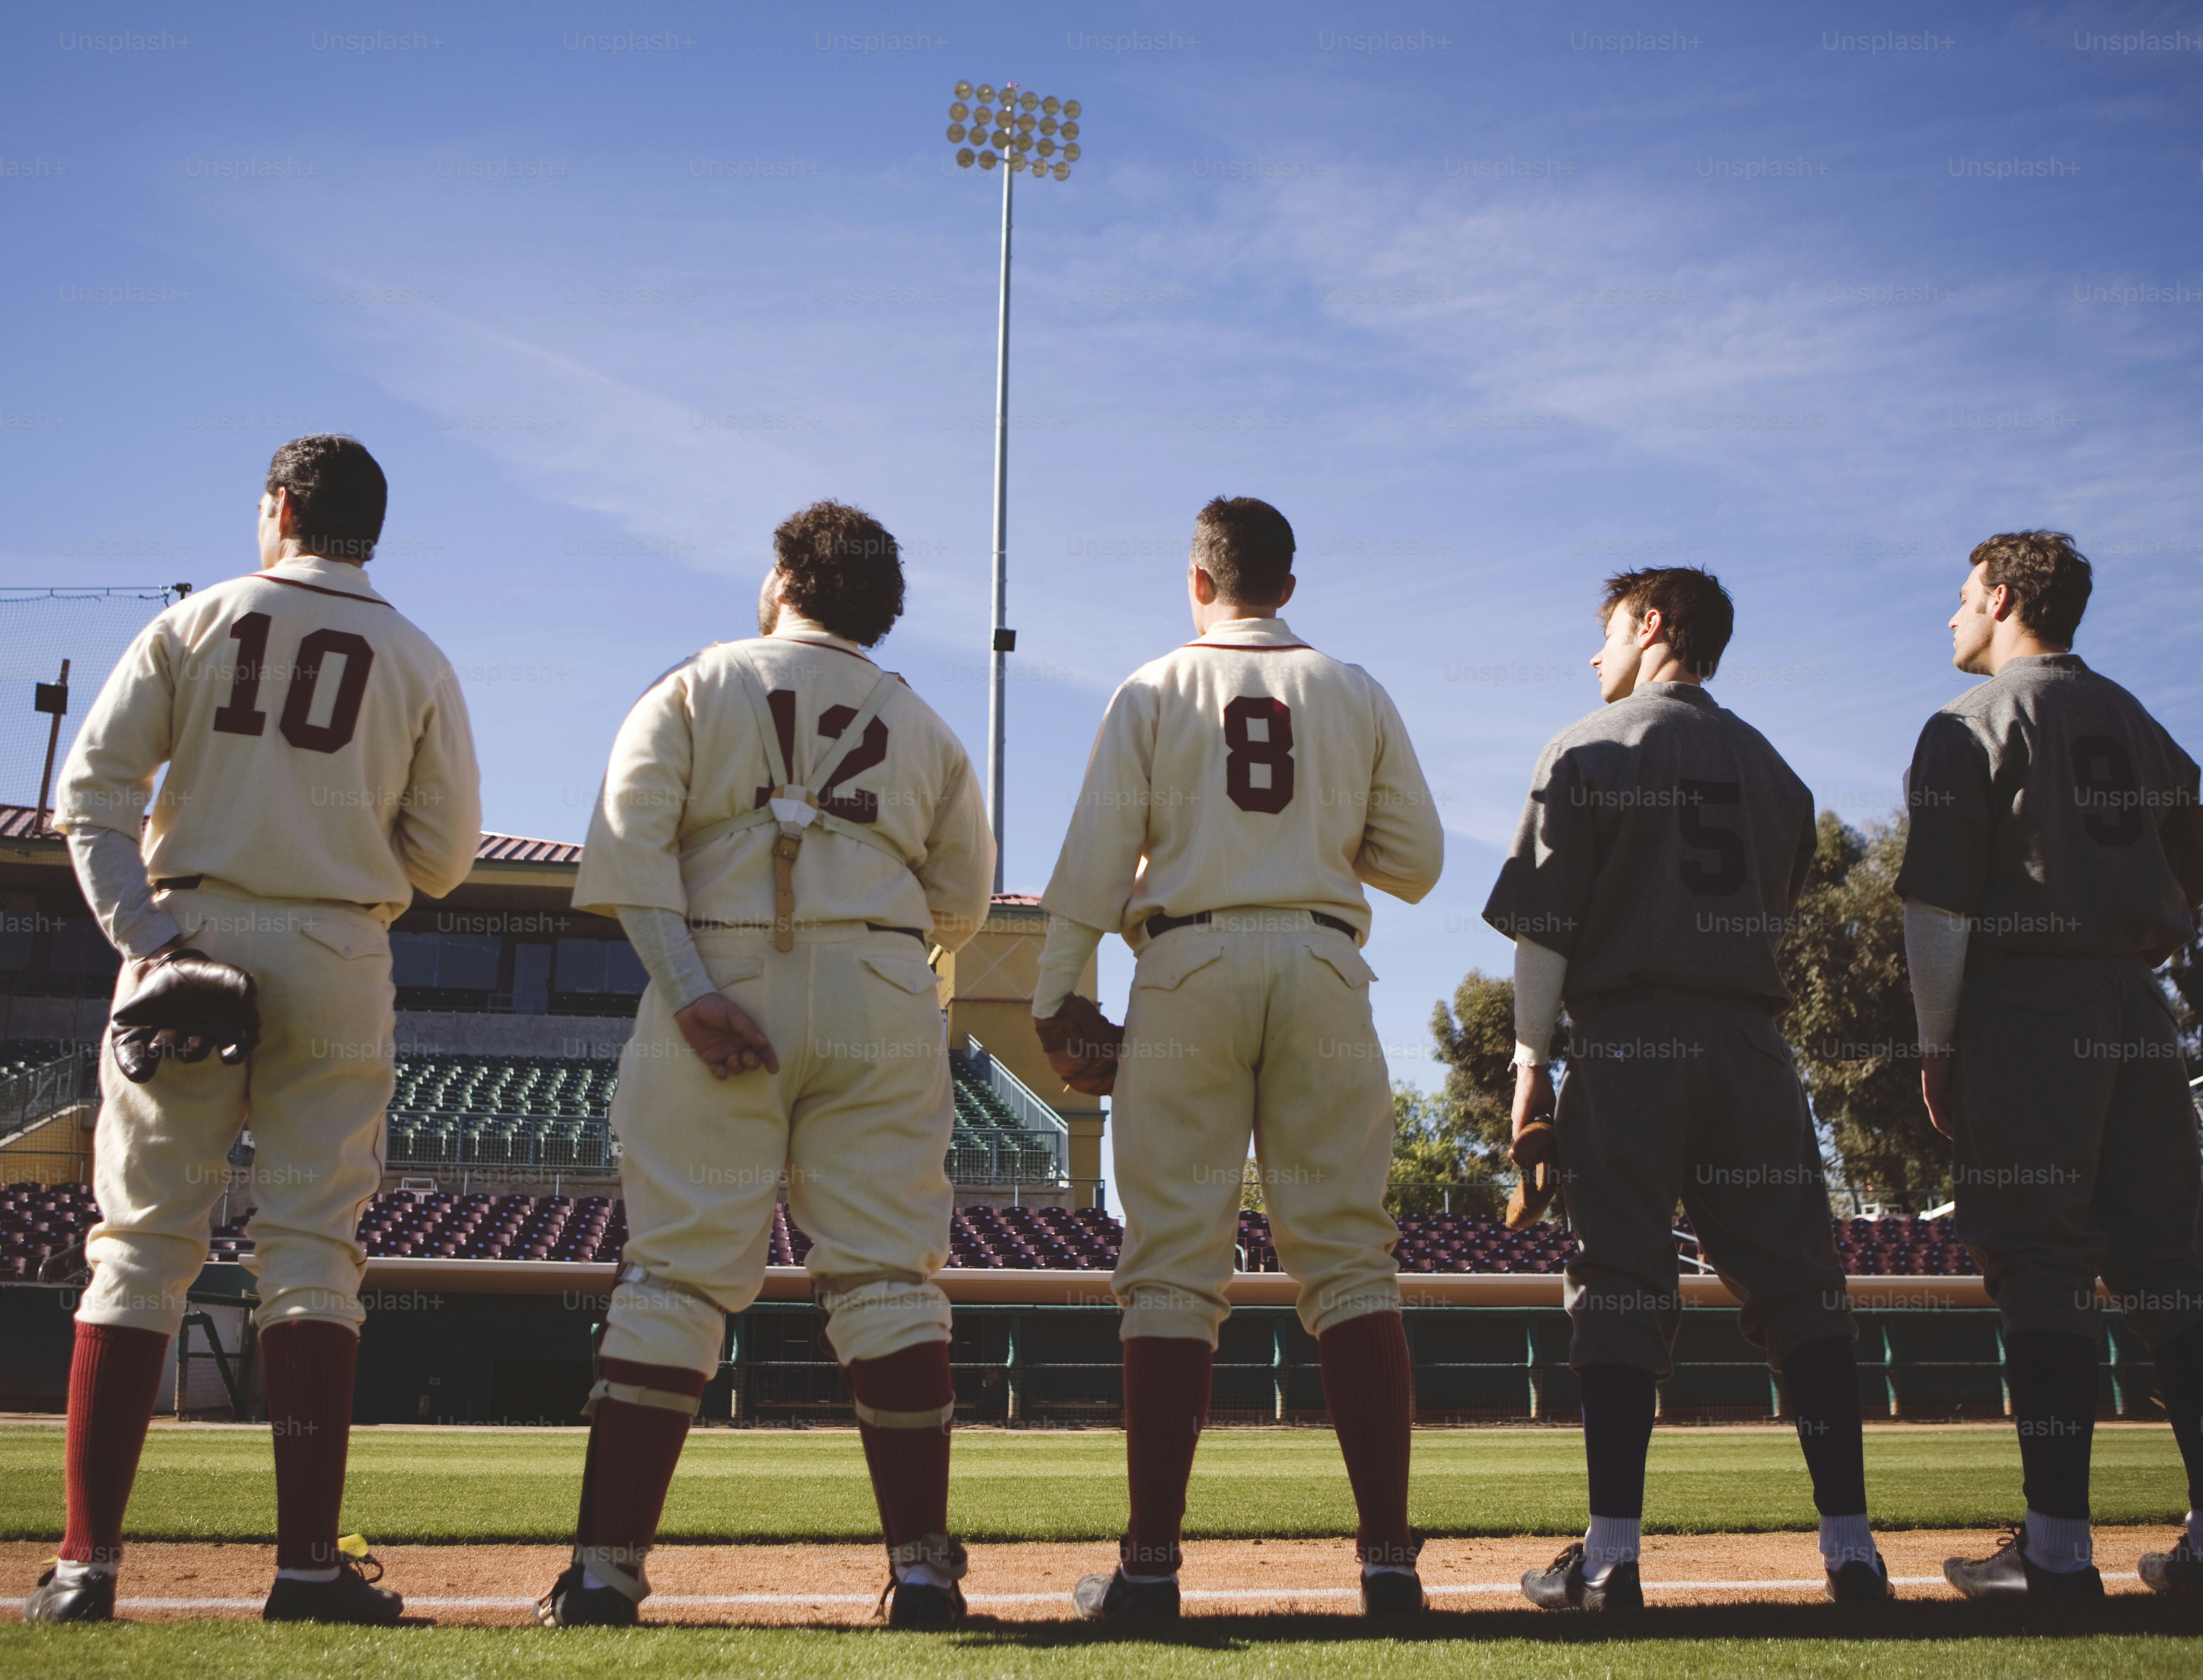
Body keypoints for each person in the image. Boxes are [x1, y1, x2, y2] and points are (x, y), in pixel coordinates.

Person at [30, 434, 482, 1624]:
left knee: (136, 1243)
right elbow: (443, 859)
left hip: (186, 930)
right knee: (311, 1247)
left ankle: (86, 1566)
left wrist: (150, 935)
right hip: (337, 945)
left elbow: (89, 798)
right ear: (371, 528)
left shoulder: (197, 621)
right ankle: (306, 1567)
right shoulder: (417, 651)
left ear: (280, 507)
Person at [536, 500, 993, 1629]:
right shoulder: (926, 722)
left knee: (679, 1274)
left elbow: (627, 846)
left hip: (719, 968)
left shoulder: (693, 682)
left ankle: (604, 1571)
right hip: (881, 985)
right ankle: (924, 1570)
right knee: (888, 1275)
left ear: (784, 573)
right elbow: (964, 901)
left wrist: (692, 989)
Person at [1032, 495, 1444, 1618]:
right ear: (1289, 587)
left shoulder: (1153, 685)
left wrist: (1057, 996)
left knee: (1172, 1265)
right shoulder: (1352, 687)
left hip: (1188, 967)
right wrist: (1307, 830)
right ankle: (1389, 1564)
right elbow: (1416, 863)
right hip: (1320, 966)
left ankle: (1151, 1568)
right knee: (1351, 1261)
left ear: (1196, 581)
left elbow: (1090, 861)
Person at [1485, 566, 1888, 1611]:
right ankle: (1852, 1549)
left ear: (1651, 624)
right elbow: (1779, 903)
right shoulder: (1775, 769)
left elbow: (1544, 930)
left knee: (1619, 1286)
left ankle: (1611, 1554)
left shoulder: (1584, 744)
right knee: (1803, 1292)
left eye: (1608, 629)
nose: (1594, 653)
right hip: (1750, 1044)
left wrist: (1528, 1065)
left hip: (1627, 1038)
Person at [1898, 531, 2203, 1600]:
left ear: (2000, 596)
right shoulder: (2136, 718)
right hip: (2138, 1007)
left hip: (2029, 1005)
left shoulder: (1970, 720)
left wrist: (1935, 1047)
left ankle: (2054, 1547)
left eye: (1960, 596)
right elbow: (2192, 859)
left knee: (2037, 1267)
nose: (1950, 616)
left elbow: (1935, 907)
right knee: (2173, 1271)